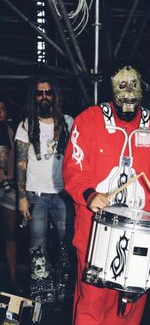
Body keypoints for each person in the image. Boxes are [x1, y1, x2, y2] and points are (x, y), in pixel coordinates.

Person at [62, 65, 150, 325]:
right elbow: (73, 167)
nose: (128, 93)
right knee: (92, 304)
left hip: (141, 236)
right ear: (111, 88)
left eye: (134, 85)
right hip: (94, 233)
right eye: (122, 86)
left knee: (129, 308)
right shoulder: (89, 120)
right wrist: (90, 195)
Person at [14, 76, 74, 305]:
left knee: (66, 242)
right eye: (40, 93)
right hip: (35, 194)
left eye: (48, 92)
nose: (44, 97)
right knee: (37, 243)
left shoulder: (69, 122)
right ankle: (41, 290)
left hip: (62, 194)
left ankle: (64, 287)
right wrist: (21, 198)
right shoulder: (26, 125)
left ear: (55, 95)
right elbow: (20, 164)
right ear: (34, 97)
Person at [0, 97, 17, 292]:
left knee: (10, 235)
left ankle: (13, 284)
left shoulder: (11, 131)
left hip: (8, 189)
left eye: (2, 109)